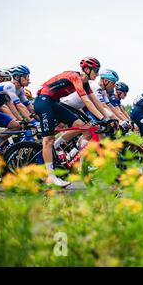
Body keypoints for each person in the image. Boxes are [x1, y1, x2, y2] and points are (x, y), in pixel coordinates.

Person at [33, 57, 108, 188]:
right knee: (48, 139)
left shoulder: (85, 83)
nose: (97, 73)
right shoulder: (75, 77)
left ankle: (60, 148)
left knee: (84, 127)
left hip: (54, 103)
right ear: (87, 69)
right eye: (95, 70)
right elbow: (87, 102)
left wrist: (106, 117)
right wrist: (102, 119)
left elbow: (95, 100)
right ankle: (50, 177)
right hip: (43, 101)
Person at [0, 80, 21, 154]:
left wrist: (19, 120)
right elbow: (3, 108)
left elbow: (11, 107)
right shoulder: (7, 87)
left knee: (15, 126)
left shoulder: (6, 92)